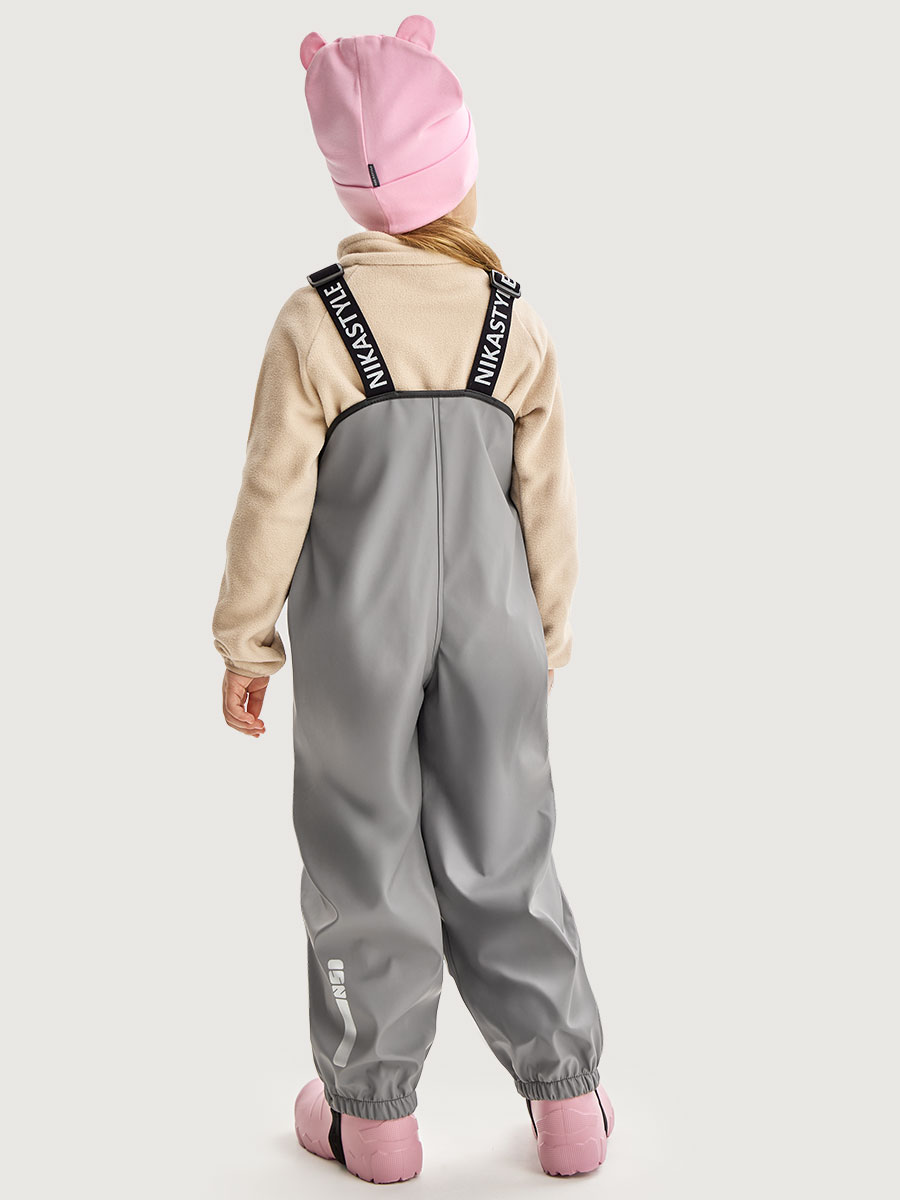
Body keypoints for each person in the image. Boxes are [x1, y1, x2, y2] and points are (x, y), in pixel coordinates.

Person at [211, 14, 613, 1184]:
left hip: (358, 641)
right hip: (498, 633)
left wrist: (246, 641)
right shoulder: (511, 321)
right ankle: (569, 1100)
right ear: (462, 165)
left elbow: (272, 496)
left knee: (363, 852)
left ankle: (374, 1117)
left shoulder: (316, 321)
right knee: (506, 845)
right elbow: (549, 505)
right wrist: (548, 634)